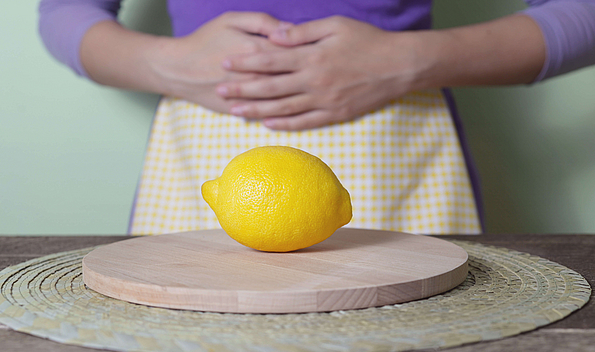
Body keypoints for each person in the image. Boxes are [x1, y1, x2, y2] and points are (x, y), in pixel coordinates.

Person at [39, 0, 595, 235]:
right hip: (201, 156)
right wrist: (169, 65)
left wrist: (411, 59)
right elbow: (64, 11)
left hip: (397, 156)